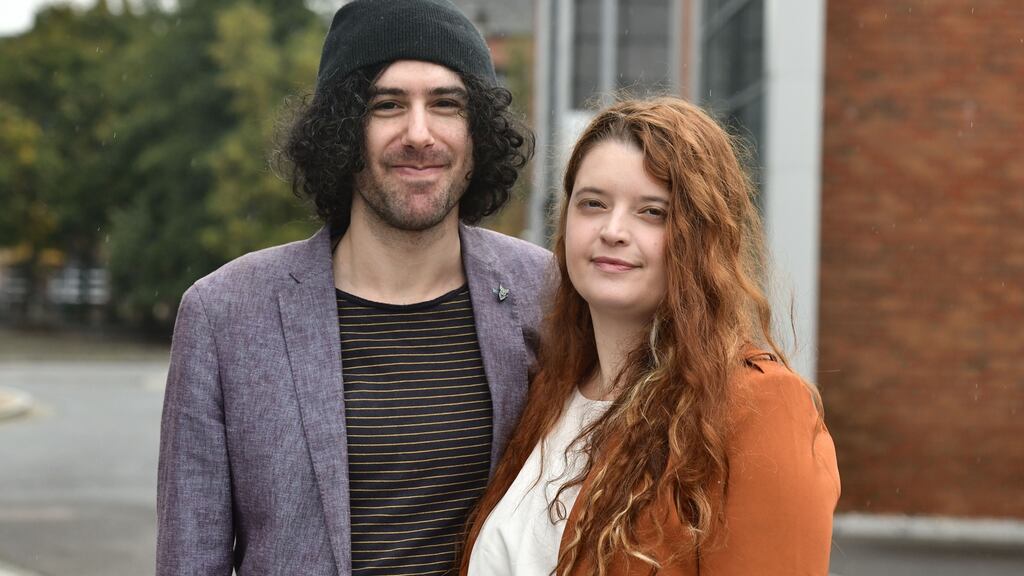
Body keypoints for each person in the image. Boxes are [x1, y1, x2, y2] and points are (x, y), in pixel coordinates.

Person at [156, 1, 550, 574]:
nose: (420, 133)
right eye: (387, 105)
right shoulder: (224, 314)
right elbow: (190, 560)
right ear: (342, 129)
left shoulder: (547, 292)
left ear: (479, 130)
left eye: (446, 104)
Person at [461, 97, 841, 575]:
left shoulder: (757, 407)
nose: (613, 230)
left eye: (652, 212)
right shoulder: (548, 394)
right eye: (593, 203)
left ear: (701, 237)